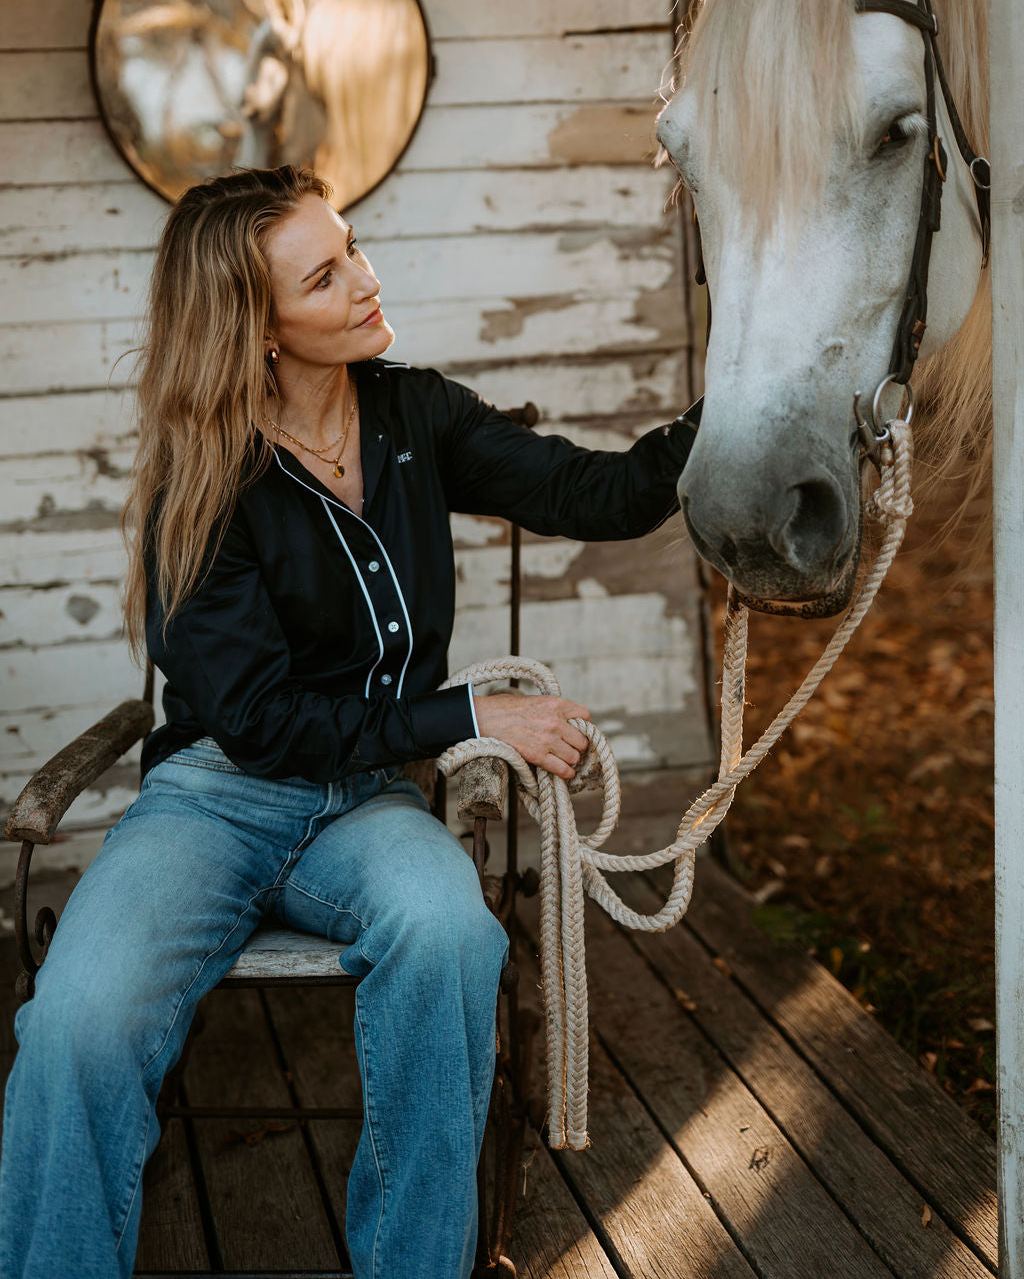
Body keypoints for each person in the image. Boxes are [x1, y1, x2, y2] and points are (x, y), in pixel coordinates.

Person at [0, 166, 701, 1279]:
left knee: (453, 935)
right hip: (217, 798)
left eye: (355, 249)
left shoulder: (413, 411)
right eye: (324, 278)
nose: (367, 282)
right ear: (258, 329)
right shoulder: (205, 478)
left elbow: (598, 493)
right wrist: (471, 712)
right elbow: (263, 722)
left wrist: (750, 408)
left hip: (366, 808)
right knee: (78, 1022)